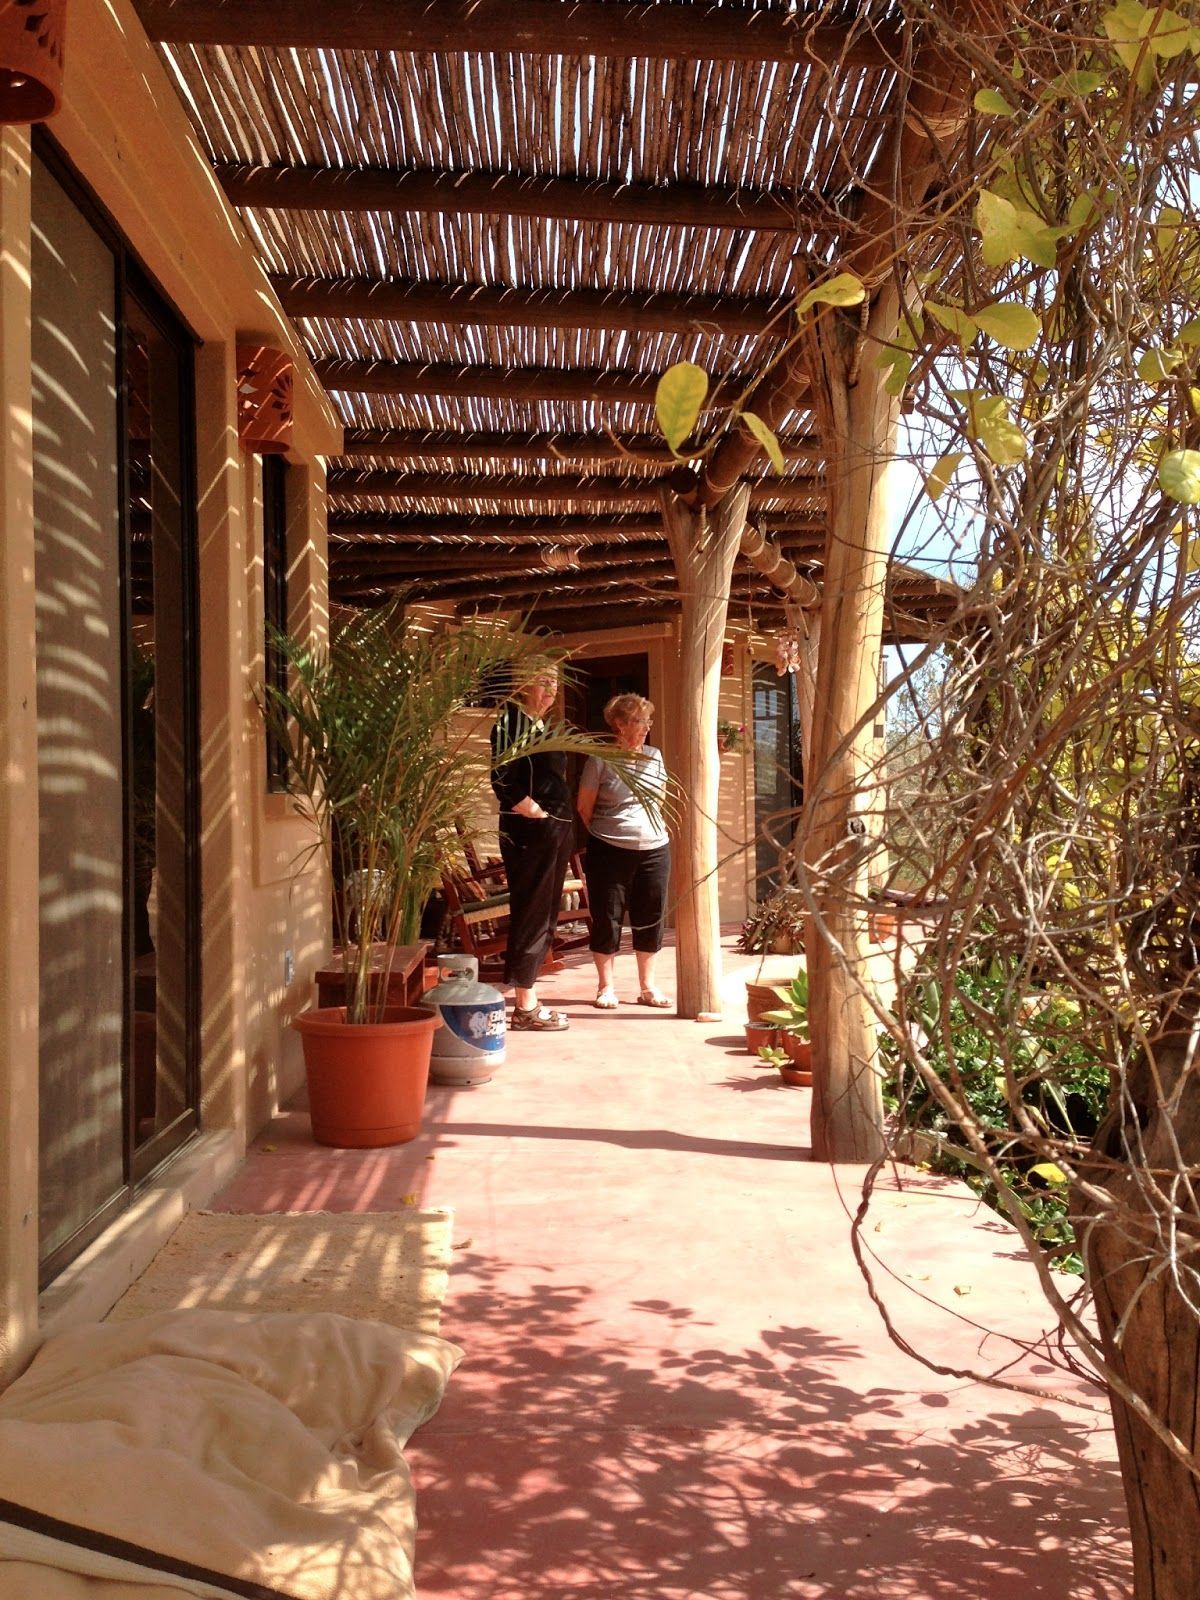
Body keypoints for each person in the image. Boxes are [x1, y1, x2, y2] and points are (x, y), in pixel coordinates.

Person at [490, 662, 574, 1031]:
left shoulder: (541, 725)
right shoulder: (510, 722)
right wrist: (533, 811)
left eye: (553, 682)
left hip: (551, 831)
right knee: (532, 912)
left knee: (547, 914)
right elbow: (502, 778)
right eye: (542, 682)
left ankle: (529, 999)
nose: (550, 689)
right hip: (531, 832)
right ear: (523, 685)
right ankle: (524, 1005)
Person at [576, 693, 672, 1010]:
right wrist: (611, 833)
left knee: (651, 915)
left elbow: (658, 799)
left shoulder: (654, 756)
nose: (646, 727)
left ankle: (647, 987)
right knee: (608, 917)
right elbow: (584, 807)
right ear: (619, 724)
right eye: (638, 721)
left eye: (648, 721)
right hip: (609, 849)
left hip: (655, 847)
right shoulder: (600, 760)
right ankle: (606, 987)